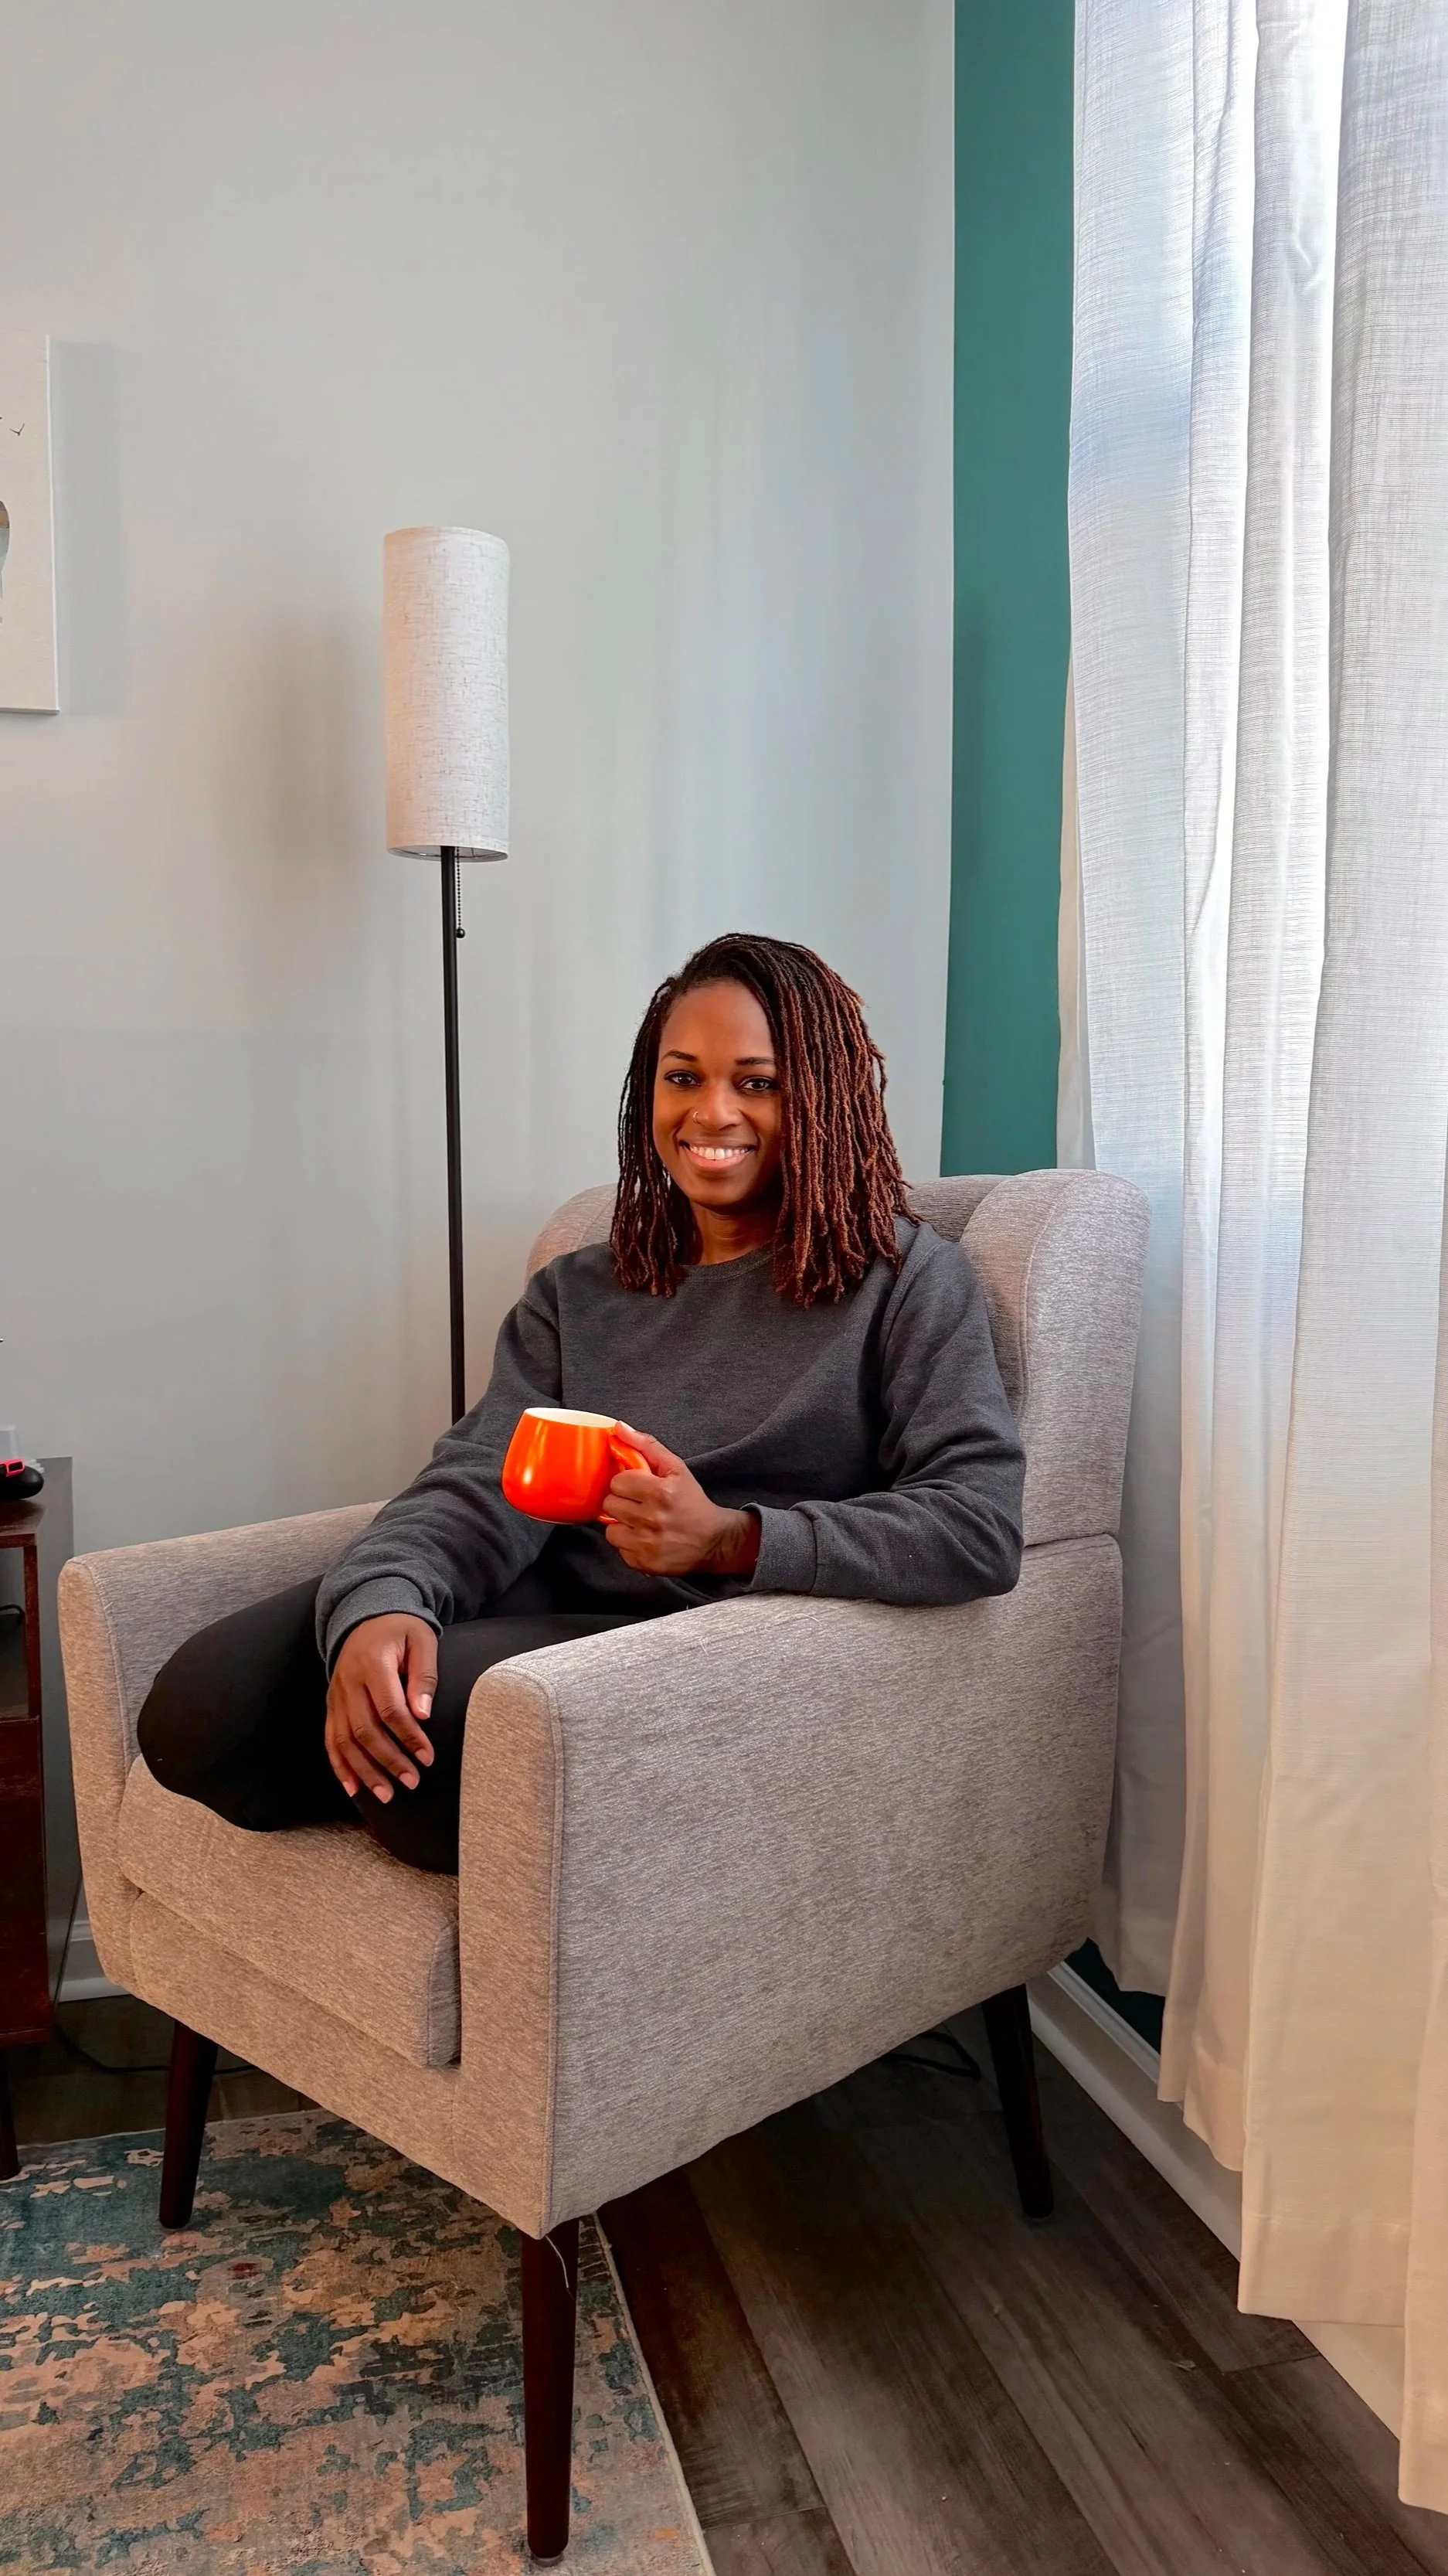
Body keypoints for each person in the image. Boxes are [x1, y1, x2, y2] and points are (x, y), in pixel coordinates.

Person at [138, 932, 1025, 1873]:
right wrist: (383, 1601)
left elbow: (975, 1526)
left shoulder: (906, 1282)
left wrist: (731, 1538)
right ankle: (392, 1764)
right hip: (539, 1597)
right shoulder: (580, 1290)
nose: (711, 1112)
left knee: (435, 1748)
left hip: (693, 1645)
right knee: (200, 1707)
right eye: (681, 1078)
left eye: (756, 1083)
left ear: (822, 1096)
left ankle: (407, 1779)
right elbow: (479, 1479)